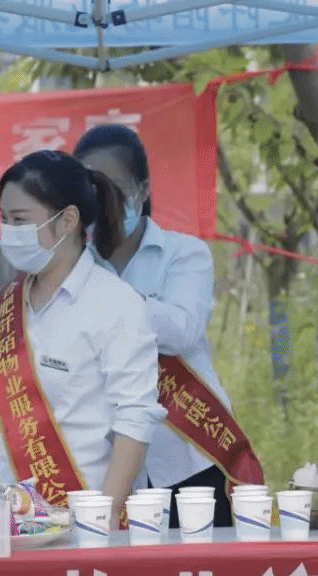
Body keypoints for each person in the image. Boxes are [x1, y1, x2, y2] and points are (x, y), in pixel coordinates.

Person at [0, 150, 166, 520]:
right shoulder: (3, 307)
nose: (9, 232)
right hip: (3, 518)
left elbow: (134, 420)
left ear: (68, 220)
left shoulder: (117, 306)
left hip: (77, 515)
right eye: (4, 219)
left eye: (20, 220)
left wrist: (102, 519)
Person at [72, 124, 255, 529]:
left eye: (115, 187)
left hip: (187, 454)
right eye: (92, 188)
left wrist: (103, 296)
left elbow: (181, 330)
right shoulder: (73, 265)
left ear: (143, 189)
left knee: (201, 566)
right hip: (109, 462)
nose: (105, 199)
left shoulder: (184, 254)